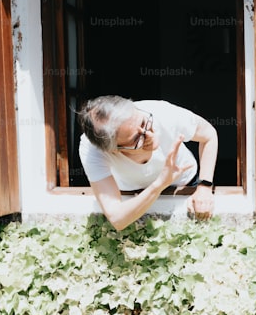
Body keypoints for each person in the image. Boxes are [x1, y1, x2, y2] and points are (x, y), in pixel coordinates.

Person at [77, 95, 218, 230]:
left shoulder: (161, 111)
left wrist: (204, 187)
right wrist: (160, 183)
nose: (150, 135)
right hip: (131, 194)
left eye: (144, 123)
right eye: (137, 138)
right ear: (113, 150)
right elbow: (117, 218)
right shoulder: (91, 150)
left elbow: (209, 135)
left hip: (185, 181)